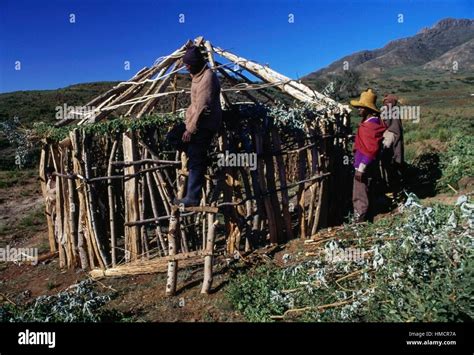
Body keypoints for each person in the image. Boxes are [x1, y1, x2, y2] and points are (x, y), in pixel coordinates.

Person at [172, 45, 222, 207]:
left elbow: (202, 106)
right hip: (194, 121)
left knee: (195, 157)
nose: (186, 67)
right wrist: (187, 122)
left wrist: (190, 129)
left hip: (205, 124)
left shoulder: (208, 77)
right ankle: (201, 157)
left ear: (196, 63)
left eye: (188, 64)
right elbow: (194, 105)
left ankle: (192, 197)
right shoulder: (197, 75)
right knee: (173, 137)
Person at [350, 89, 386, 222]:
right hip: (368, 164)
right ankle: (369, 217)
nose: (359, 110)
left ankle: (359, 221)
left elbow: (370, 149)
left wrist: (361, 168)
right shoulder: (374, 123)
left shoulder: (369, 126)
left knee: (360, 194)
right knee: (368, 190)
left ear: (368, 109)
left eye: (361, 107)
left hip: (363, 165)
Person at [380, 93, 404, 200]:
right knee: (393, 168)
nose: (386, 105)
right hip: (393, 144)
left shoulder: (391, 112)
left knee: (391, 168)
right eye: (385, 102)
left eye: (388, 102)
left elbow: (386, 125)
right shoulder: (394, 112)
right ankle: (395, 191)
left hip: (390, 143)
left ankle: (394, 192)